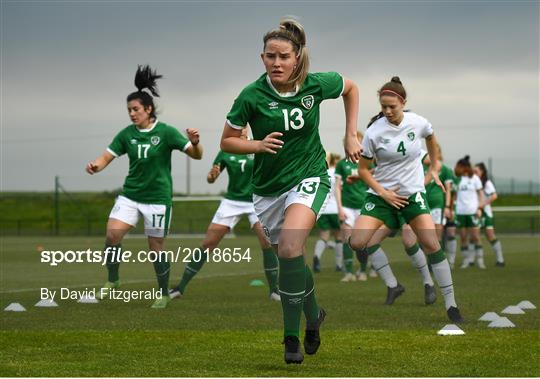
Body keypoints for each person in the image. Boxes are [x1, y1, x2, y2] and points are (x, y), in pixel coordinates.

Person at [220, 18, 362, 364]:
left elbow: (351, 87)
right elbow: (227, 141)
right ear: (262, 58)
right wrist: (255, 145)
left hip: (310, 177)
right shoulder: (251, 95)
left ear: (297, 57)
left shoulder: (315, 85)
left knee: (289, 246)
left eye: (283, 56)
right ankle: (314, 316)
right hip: (268, 190)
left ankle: (290, 338)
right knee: (289, 255)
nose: (277, 63)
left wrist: (350, 133)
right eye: (270, 56)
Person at [86, 65, 203, 308]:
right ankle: (113, 280)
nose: (131, 114)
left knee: (155, 247)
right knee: (112, 234)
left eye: (135, 109)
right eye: (129, 110)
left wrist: (195, 143)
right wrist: (95, 166)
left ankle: (162, 293)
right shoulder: (126, 134)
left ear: (148, 109)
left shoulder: (167, 132)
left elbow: (196, 155)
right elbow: (106, 157)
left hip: (158, 199)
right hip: (130, 195)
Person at [349, 76, 463, 323]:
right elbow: (363, 170)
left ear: (403, 102)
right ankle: (390, 246)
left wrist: (433, 169)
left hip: (412, 195)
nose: (387, 112)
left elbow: (431, 138)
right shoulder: (373, 132)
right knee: (357, 242)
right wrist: (384, 192)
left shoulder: (418, 123)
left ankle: (452, 305)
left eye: (392, 107)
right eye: (383, 107)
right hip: (382, 197)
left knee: (431, 244)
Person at [169, 127, 280, 300]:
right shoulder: (227, 149)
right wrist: (212, 176)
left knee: (266, 242)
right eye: (238, 125)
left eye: (243, 125)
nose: (241, 128)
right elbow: (211, 178)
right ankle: (180, 288)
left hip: (255, 200)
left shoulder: (258, 143)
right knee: (208, 243)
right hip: (232, 202)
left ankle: (274, 290)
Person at [334, 133, 370, 282]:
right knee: (346, 238)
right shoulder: (342, 164)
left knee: (362, 241)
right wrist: (340, 208)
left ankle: (362, 271)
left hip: (363, 206)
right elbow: (337, 188)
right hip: (348, 206)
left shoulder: (367, 163)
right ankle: (348, 272)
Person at [313, 153, 343, 273]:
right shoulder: (337, 173)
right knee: (339, 237)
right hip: (335, 209)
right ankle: (339, 265)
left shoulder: (321, 172)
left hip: (323, 209)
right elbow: (341, 189)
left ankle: (317, 256)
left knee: (323, 237)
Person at [454, 156, 485, 269]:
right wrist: (453, 207)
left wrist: (480, 208)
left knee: (475, 236)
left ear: (465, 167)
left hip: (472, 212)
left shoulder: (475, 179)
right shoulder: (457, 179)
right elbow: (455, 195)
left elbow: (481, 194)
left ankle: (480, 260)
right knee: (463, 237)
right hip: (461, 212)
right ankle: (466, 260)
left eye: (459, 166)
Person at [474, 163, 505, 266]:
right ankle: (472, 261)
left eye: (476, 171)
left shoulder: (486, 183)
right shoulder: (473, 182)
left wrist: (483, 205)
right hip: (476, 212)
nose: (474, 173)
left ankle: (500, 259)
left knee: (490, 236)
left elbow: (494, 196)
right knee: (474, 235)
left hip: (486, 213)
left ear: (482, 172)